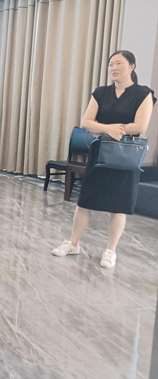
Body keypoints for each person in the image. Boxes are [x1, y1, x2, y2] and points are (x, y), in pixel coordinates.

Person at [52, 50, 156, 268]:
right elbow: (86, 122)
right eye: (110, 64)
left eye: (118, 63)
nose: (113, 68)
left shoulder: (143, 93)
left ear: (132, 67)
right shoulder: (101, 92)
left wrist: (103, 128)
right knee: (85, 201)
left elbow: (140, 126)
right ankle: (73, 243)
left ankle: (110, 250)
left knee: (118, 206)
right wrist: (110, 129)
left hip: (125, 155)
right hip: (100, 153)